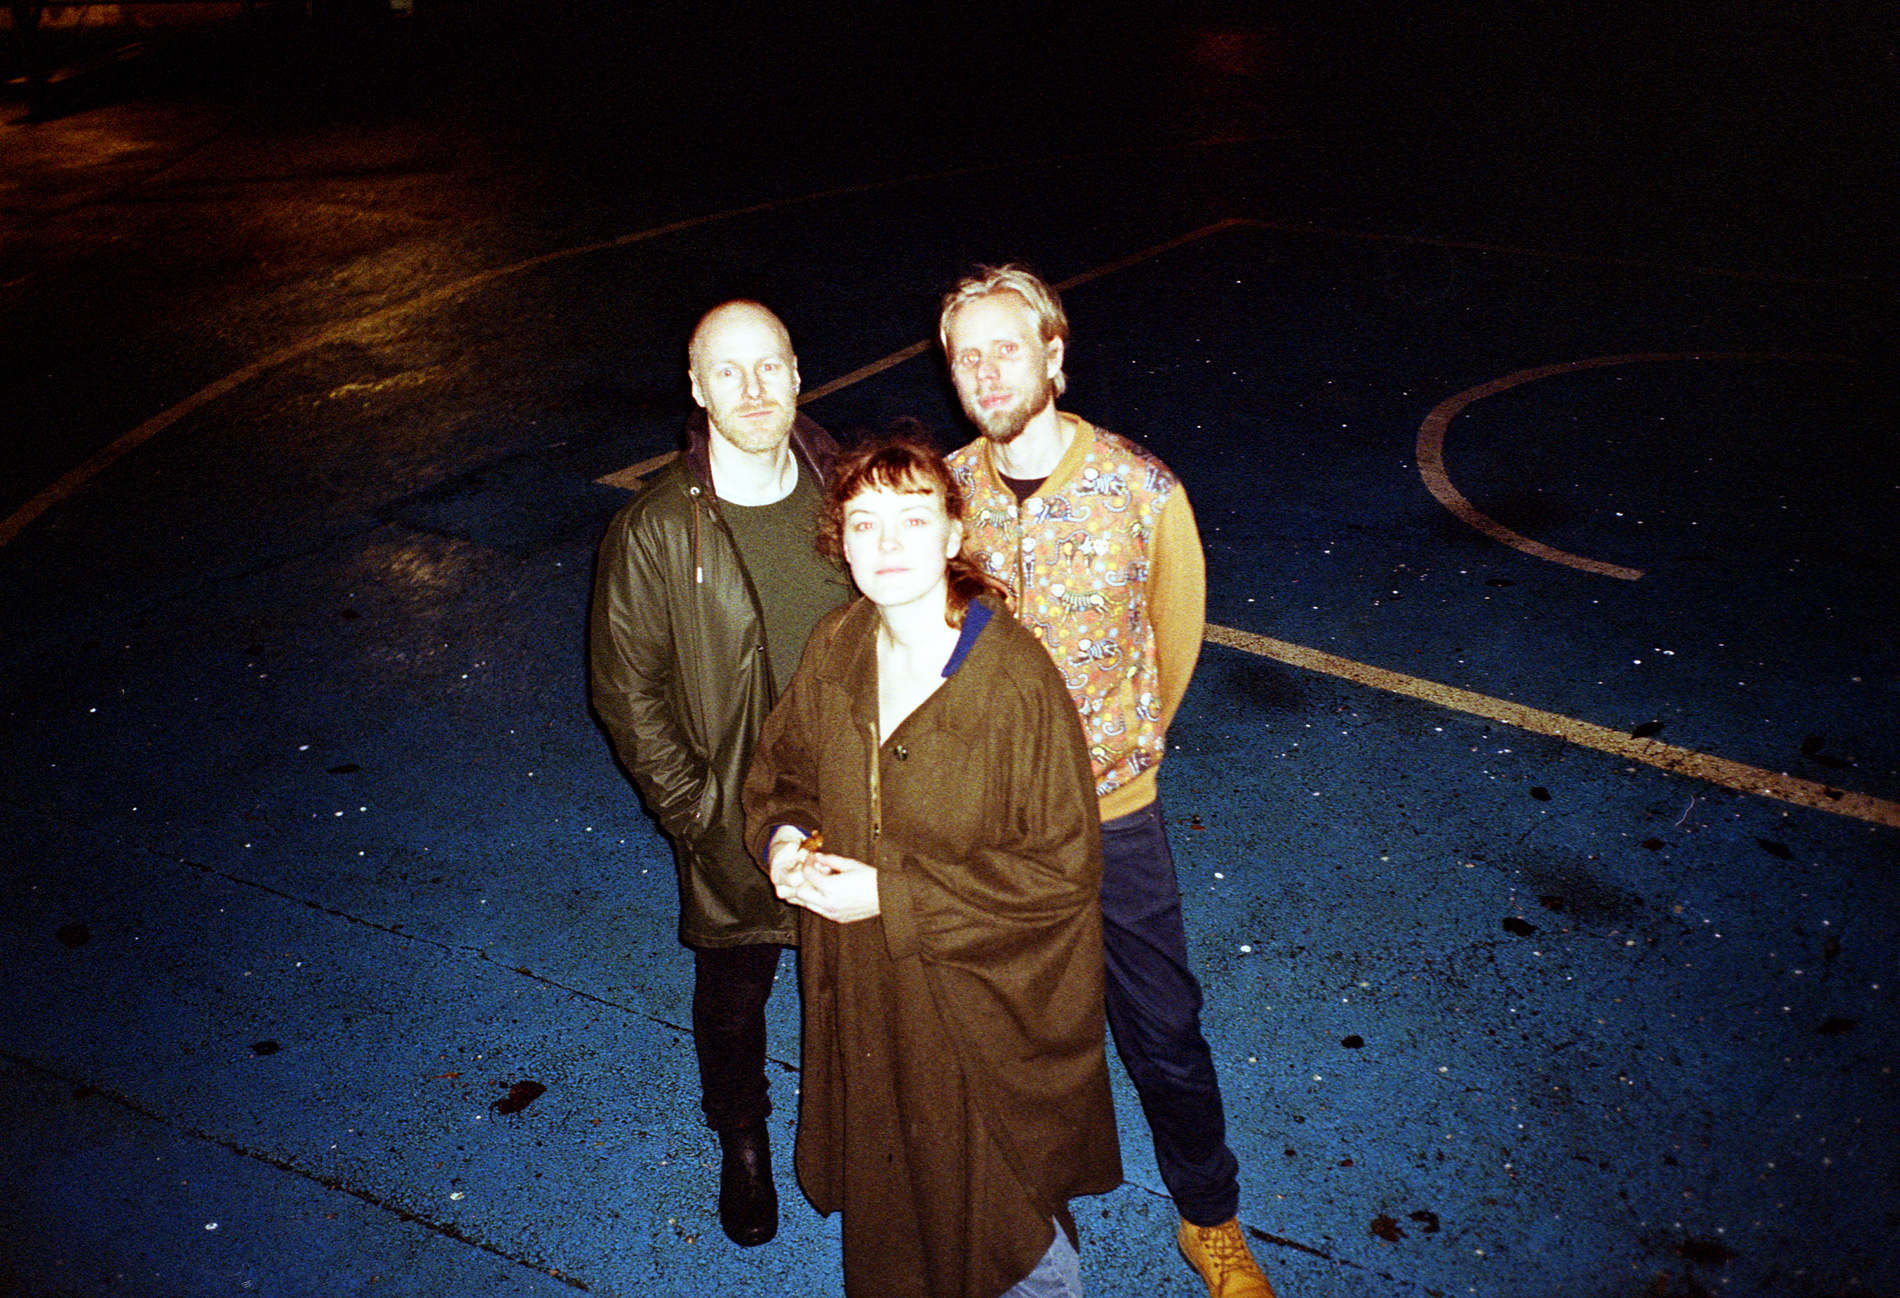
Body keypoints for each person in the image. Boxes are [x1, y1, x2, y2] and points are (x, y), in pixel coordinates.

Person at [940, 266, 1278, 1298]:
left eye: (1006, 348)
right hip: (990, 825)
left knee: (1164, 1029)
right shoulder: (940, 495)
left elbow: (1176, 630)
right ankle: (1027, 1222)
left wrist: (1122, 750)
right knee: (1006, 1033)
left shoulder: (1141, 488)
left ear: (1053, 355)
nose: (987, 372)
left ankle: (1209, 1219)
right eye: (966, 356)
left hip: (1113, 815)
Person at [744, 432, 1123, 1298]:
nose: (887, 544)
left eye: (912, 520)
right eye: (863, 523)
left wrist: (895, 895)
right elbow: (782, 775)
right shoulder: (837, 645)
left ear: (954, 533)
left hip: (978, 999)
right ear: (839, 542)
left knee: (1001, 1211)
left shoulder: (1012, 682)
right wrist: (786, 843)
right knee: (897, 1188)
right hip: (867, 986)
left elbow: (1064, 870)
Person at [589, 299, 846, 1248]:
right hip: (734, 814)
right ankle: (742, 1136)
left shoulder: (849, 494)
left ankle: (851, 1134)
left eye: (769, 365)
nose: (753, 389)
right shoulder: (655, 530)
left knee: (856, 990)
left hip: (856, 799)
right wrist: (699, 814)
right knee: (736, 1000)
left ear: (797, 373)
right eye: (727, 372)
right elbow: (627, 692)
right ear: (696, 389)